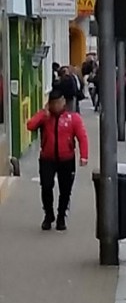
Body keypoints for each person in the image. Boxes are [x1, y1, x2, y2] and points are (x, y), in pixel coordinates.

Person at [26, 90, 89, 231]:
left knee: (65, 190)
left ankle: (61, 216)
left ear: (64, 102)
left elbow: (82, 137)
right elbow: (30, 125)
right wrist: (43, 113)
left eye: (59, 102)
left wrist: (84, 156)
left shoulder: (73, 118)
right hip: (47, 159)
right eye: (53, 103)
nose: (56, 106)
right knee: (46, 186)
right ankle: (49, 215)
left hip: (67, 159)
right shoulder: (45, 118)